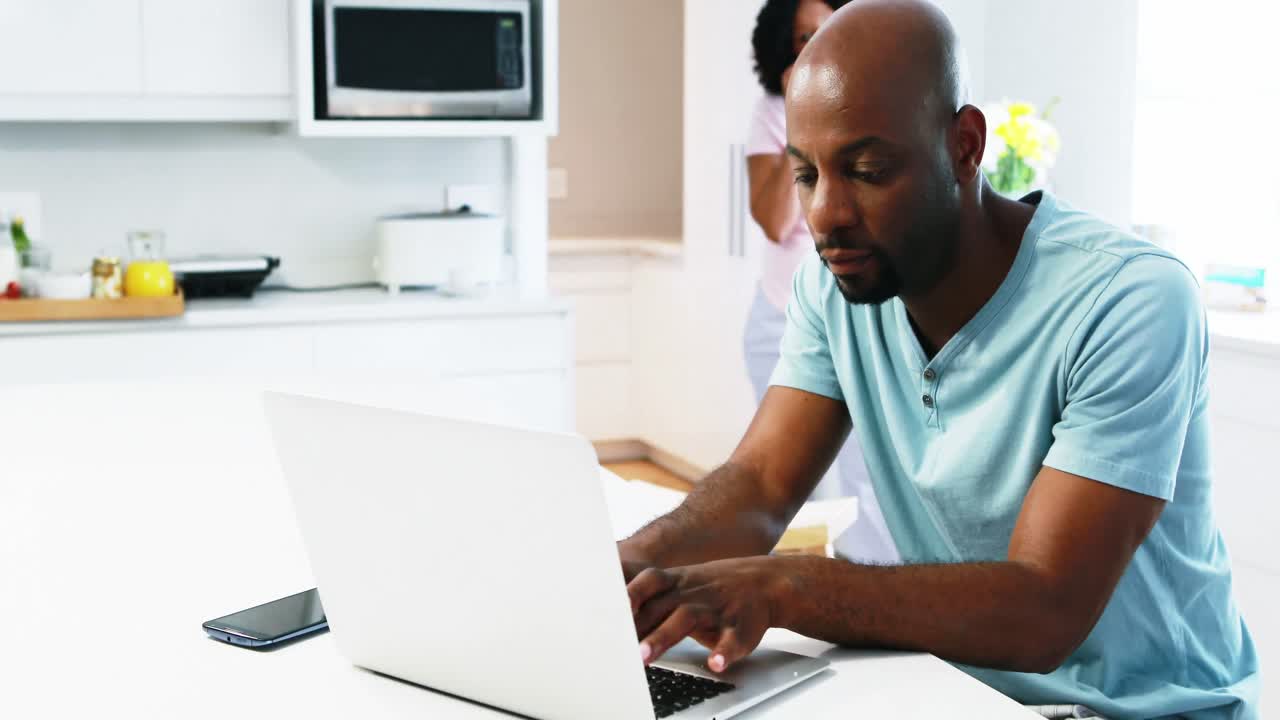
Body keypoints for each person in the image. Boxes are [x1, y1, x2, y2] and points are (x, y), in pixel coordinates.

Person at [620, 1, 1260, 717]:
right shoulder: (833, 290)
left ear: (964, 145)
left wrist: (789, 585)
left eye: (865, 169)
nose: (826, 214)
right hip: (964, 694)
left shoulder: (1131, 300)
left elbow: (1043, 609)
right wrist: (625, 566)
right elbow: (760, 485)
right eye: (806, 175)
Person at [744, 0, 899, 564]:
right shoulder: (769, 111)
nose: (815, 45)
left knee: (867, 473)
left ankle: (876, 595)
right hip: (777, 316)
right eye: (802, 37)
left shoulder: (871, 105)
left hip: (857, 314)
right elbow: (777, 219)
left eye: (826, 31)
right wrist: (796, 112)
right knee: (786, 481)